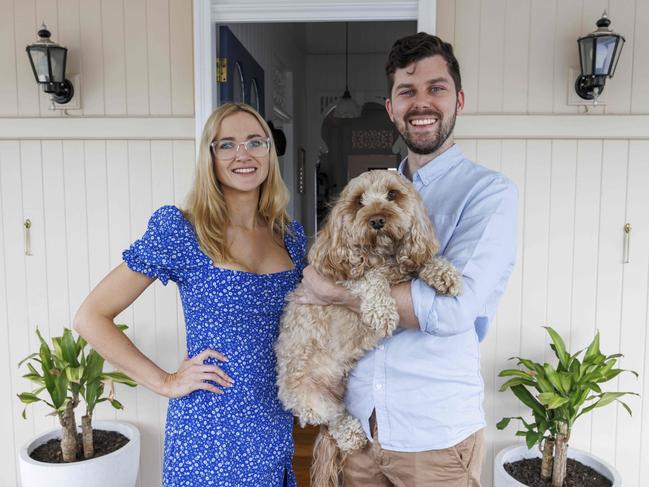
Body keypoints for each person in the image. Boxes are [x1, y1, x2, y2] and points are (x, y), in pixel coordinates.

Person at [294, 33, 518, 486]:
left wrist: (332, 293)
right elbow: (335, 264)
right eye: (407, 91)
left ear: (458, 99)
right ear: (391, 107)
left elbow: (453, 309)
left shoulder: (488, 193)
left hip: (433, 435)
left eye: (435, 88)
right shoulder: (371, 191)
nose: (422, 103)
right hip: (361, 427)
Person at [74, 102, 305, 486]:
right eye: (226, 144)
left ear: (269, 152)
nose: (243, 154)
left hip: (272, 421)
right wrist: (165, 382)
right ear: (209, 157)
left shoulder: (290, 237)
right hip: (208, 429)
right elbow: (91, 316)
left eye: (255, 142)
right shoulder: (183, 231)